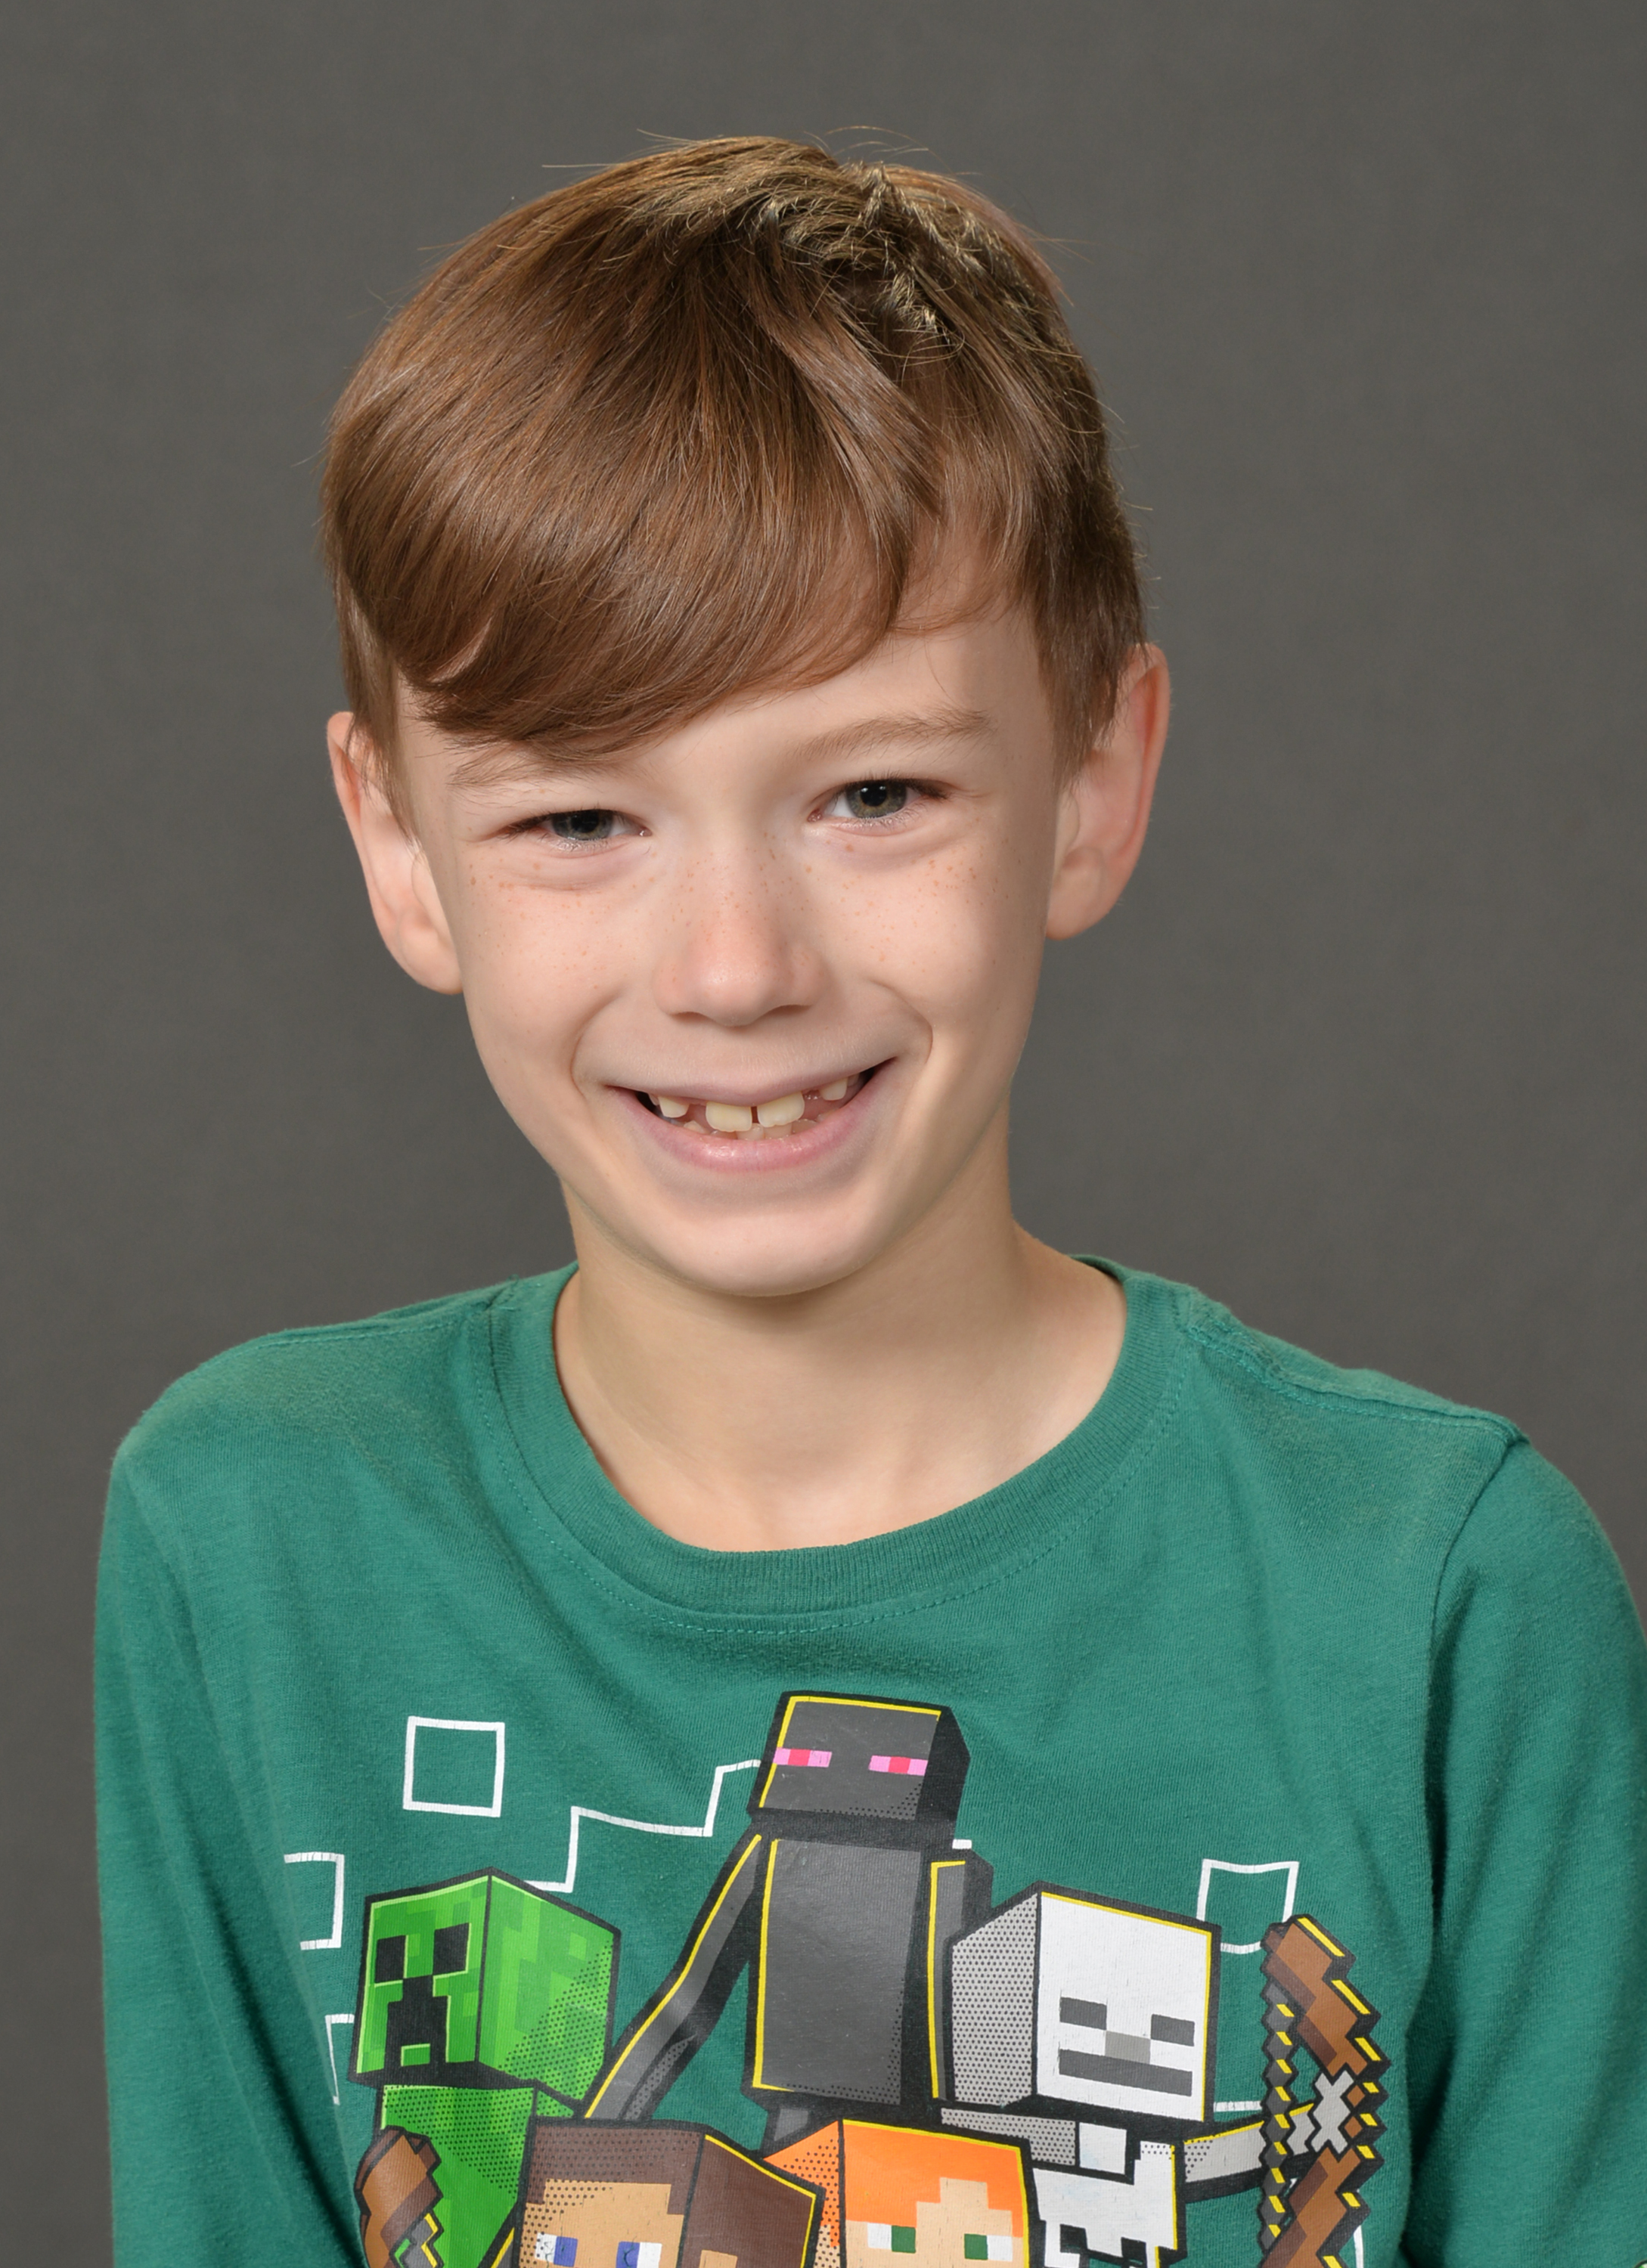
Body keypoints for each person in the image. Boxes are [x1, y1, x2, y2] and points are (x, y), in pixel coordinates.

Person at [95, 139, 1647, 2268]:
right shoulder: (255, 1543)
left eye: (874, 793)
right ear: (396, 845)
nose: (736, 968)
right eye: (578, 819)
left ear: (1094, 777)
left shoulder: (1439, 1601)